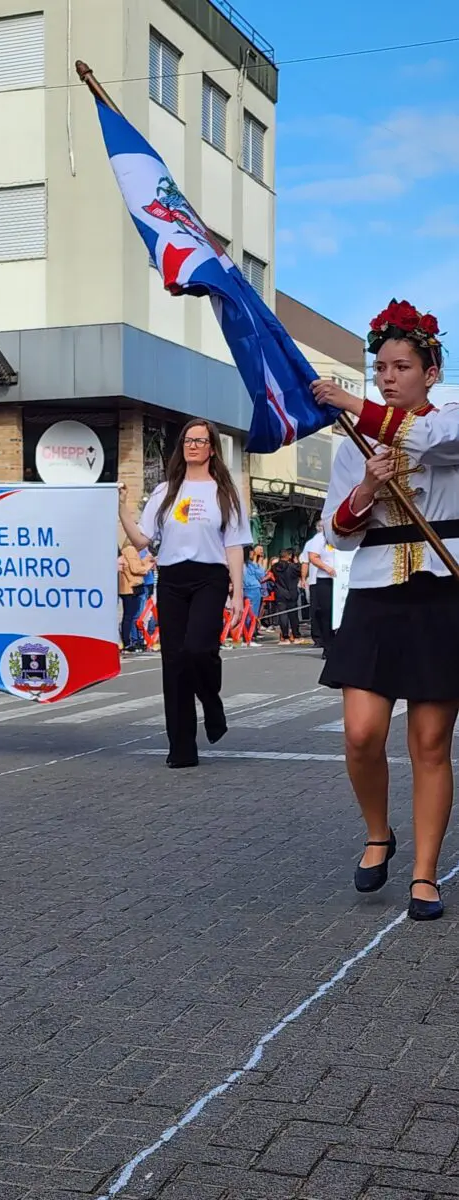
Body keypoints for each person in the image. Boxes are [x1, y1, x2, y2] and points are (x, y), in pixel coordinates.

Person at [312, 298, 459, 921]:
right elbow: (336, 532)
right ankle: (380, 831)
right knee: (360, 734)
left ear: (431, 370)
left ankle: (425, 874)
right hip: (374, 591)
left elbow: (428, 440)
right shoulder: (355, 440)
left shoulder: (451, 416)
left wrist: (351, 403)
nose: (388, 376)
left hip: (441, 590)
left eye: (401, 365)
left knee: (430, 742)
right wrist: (367, 487)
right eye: (379, 368)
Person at [118, 418, 251, 768]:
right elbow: (143, 540)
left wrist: (237, 592)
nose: (192, 446)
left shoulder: (224, 491)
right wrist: (122, 508)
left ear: (212, 448)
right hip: (173, 578)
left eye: (200, 441)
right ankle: (181, 746)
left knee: (199, 648)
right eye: (187, 440)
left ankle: (211, 700)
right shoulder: (165, 492)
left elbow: (234, 544)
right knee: (174, 662)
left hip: (210, 576)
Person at [307, 527, 337, 656]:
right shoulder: (320, 538)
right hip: (326, 579)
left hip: (345, 579)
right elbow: (312, 557)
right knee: (327, 613)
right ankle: (328, 647)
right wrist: (326, 568)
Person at [118, 541, 149, 652]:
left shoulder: (126, 550)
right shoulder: (130, 550)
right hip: (130, 588)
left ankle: (129, 641)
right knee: (131, 616)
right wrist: (147, 566)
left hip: (127, 587)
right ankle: (129, 641)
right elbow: (135, 568)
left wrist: (147, 560)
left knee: (130, 615)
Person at [270, 549, 301, 643]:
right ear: (289, 556)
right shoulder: (292, 567)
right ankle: (296, 635)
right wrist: (296, 562)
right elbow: (300, 571)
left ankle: (285, 636)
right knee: (293, 614)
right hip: (291, 592)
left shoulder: (275, 567)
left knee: (282, 614)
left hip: (280, 592)